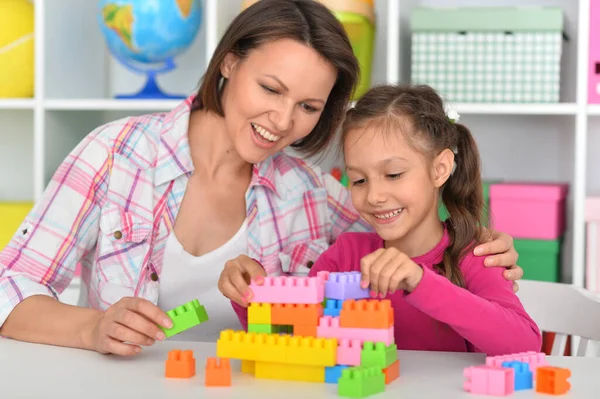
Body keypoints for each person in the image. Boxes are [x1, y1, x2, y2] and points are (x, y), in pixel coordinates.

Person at [0, 0, 522, 356]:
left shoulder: (312, 192)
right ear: (229, 62)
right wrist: (92, 328)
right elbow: (10, 289)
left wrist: (478, 242)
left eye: (309, 106)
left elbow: (403, 220)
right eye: (270, 88)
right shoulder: (115, 155)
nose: (282, 121)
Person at [243, 84, 541, 355]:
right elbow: (295, 337)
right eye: (359, 180)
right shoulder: (345, 255)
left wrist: (421, 282)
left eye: (393, 174)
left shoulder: (474, 255)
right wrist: (249, 293)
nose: (374, 195)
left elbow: (524, 343)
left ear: (440, 169)